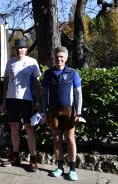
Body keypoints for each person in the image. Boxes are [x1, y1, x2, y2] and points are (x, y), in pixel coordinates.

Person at [0, 39, 41, 172]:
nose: (19, 51)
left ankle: (33, 158)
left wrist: (38, 101)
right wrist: (4, 100)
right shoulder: (10, 62)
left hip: (27, 100)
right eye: (17, 48)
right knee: (13, 127)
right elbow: (6, 82)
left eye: (22, 48)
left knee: (29, 128)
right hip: (11, 99)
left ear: (26, 49)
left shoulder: (32, 62)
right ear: (14, 50)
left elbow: (36, 84)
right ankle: (15, 156)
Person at [42, 46, 83, 181]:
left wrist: (79, 112)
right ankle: (59, 167)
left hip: (69, 112)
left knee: (70, 139)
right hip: (53, 112)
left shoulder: (73, 73)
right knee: (57, 139)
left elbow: (78, 94)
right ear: (53, 58)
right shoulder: (48, 74)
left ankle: (72, 169)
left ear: (66, 58)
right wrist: (44, 111)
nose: (59, 59)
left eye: (61, 57)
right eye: (56, 57)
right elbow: (44, 94)